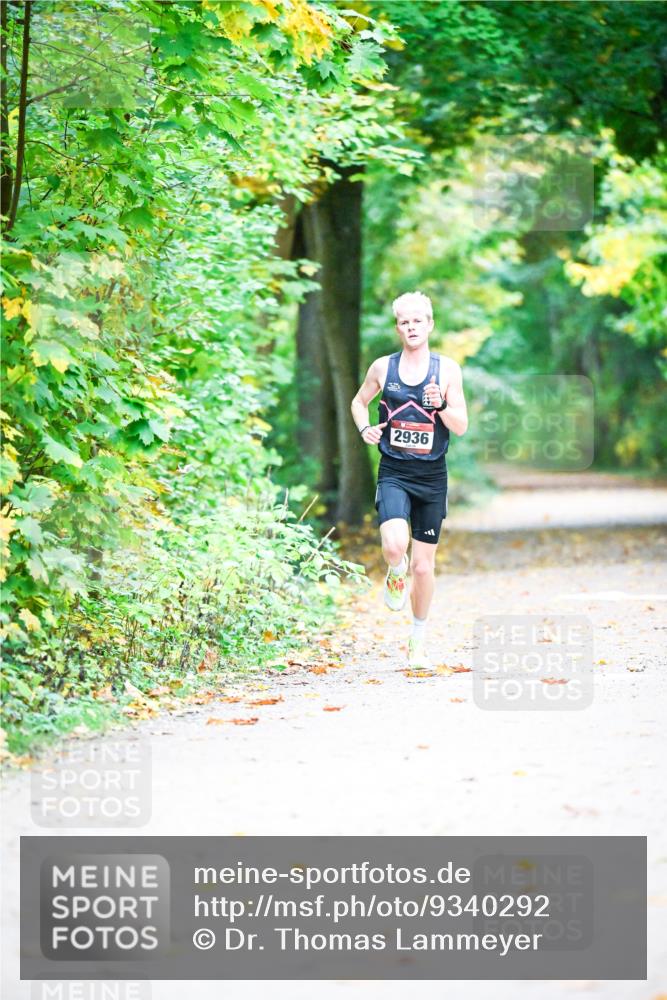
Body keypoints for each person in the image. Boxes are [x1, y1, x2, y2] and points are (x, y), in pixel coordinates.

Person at [350, 291, 469, 669]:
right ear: (398, 328)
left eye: (418, 320)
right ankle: (394, 572)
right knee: (393, 547)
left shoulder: (447, 370)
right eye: (404, 322)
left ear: (430, 324)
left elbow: (461, 426)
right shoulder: (383, 368)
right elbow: (358, 402)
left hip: (432, 476)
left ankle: (417, 639)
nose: (411, 327)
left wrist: (441, 405)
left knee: (424, 567)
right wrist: (366, 427)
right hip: (395, 471)